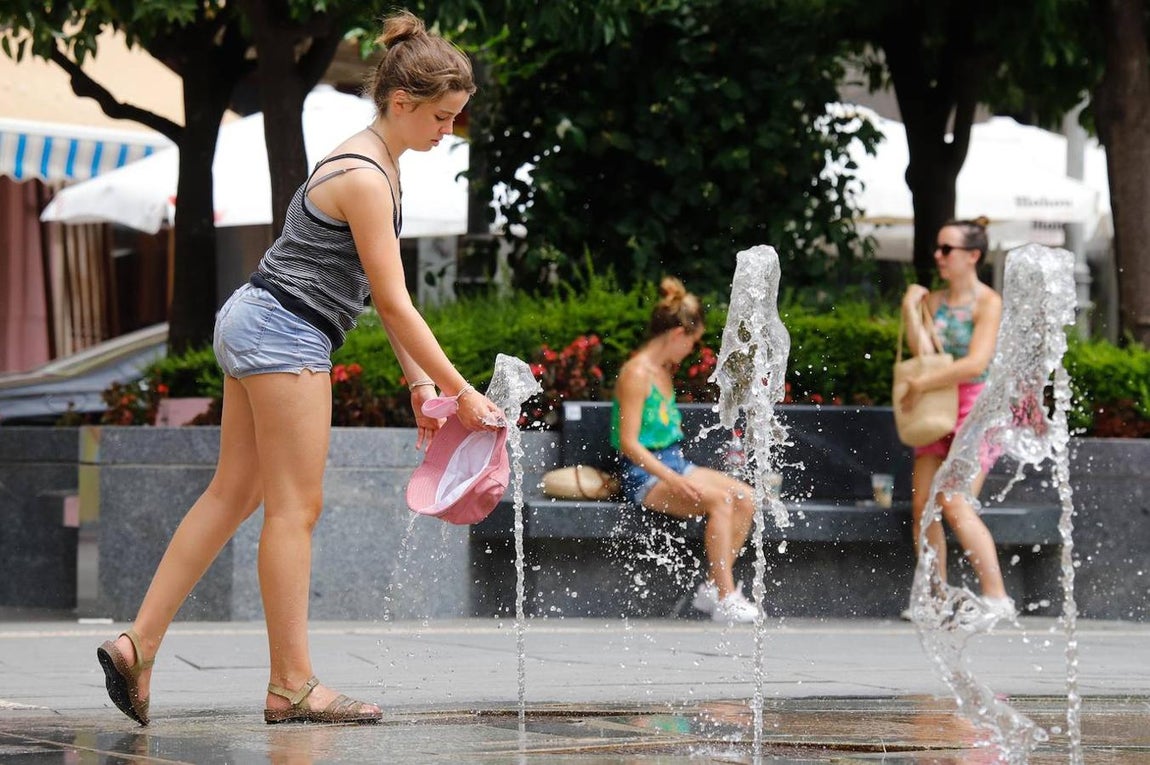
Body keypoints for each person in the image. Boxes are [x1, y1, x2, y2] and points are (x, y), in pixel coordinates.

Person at [95, 10, 505, 726]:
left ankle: (138, 642)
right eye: (441, 118)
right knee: (295, 509)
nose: (448, 132)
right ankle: (291, 683)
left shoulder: (373, 161)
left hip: (257, 317)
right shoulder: (367, 178)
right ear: (401, 104)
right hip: (285, 334)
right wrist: (460, 391)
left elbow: (383, 295)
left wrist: (418, 383)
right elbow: (398, 304)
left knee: (233, 493)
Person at [611, 277, 760, 624]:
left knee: (745, 497)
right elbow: (629, 443)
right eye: (692, 341)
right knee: (720, 501)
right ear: (678, 335)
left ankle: (711, 588)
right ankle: (726, 597)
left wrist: (677, 474)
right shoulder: (636, 374)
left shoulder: (662, 371)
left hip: (673, 462)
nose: (691, 350)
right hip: (644, 475)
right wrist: (674, 481)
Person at [897, 217, 1015, 625]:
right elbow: (923, 348)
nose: (938, 256)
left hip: (974, 410)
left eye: (947, 249)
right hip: (935, 406)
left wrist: (923, 382)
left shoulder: (988, 302)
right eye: (938, 248)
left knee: (954, 501)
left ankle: (997, 598)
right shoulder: (934, 301)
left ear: (973, 256)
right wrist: (911, 307)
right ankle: (934, 596)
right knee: (922, 505)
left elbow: (976, 363)